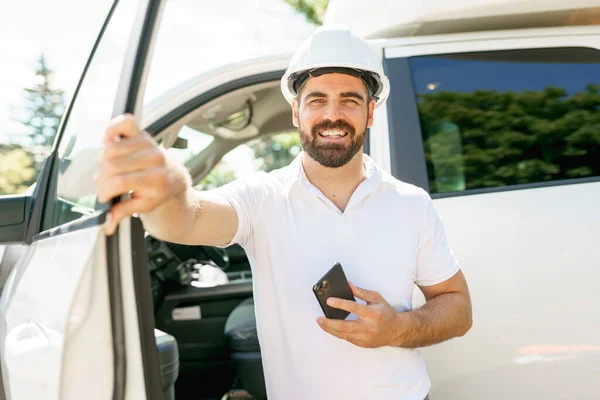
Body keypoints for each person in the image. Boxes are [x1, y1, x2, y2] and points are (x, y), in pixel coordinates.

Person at [96, 25, 472, 400]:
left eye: (350, 101)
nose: (333, 115)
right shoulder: (262, 197)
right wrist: (168, 189)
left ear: (371, 112)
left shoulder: (411, 203)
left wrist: (398, 329)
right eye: (317, 100)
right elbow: (188, 219)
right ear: (296, 112)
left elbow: (458, 308)